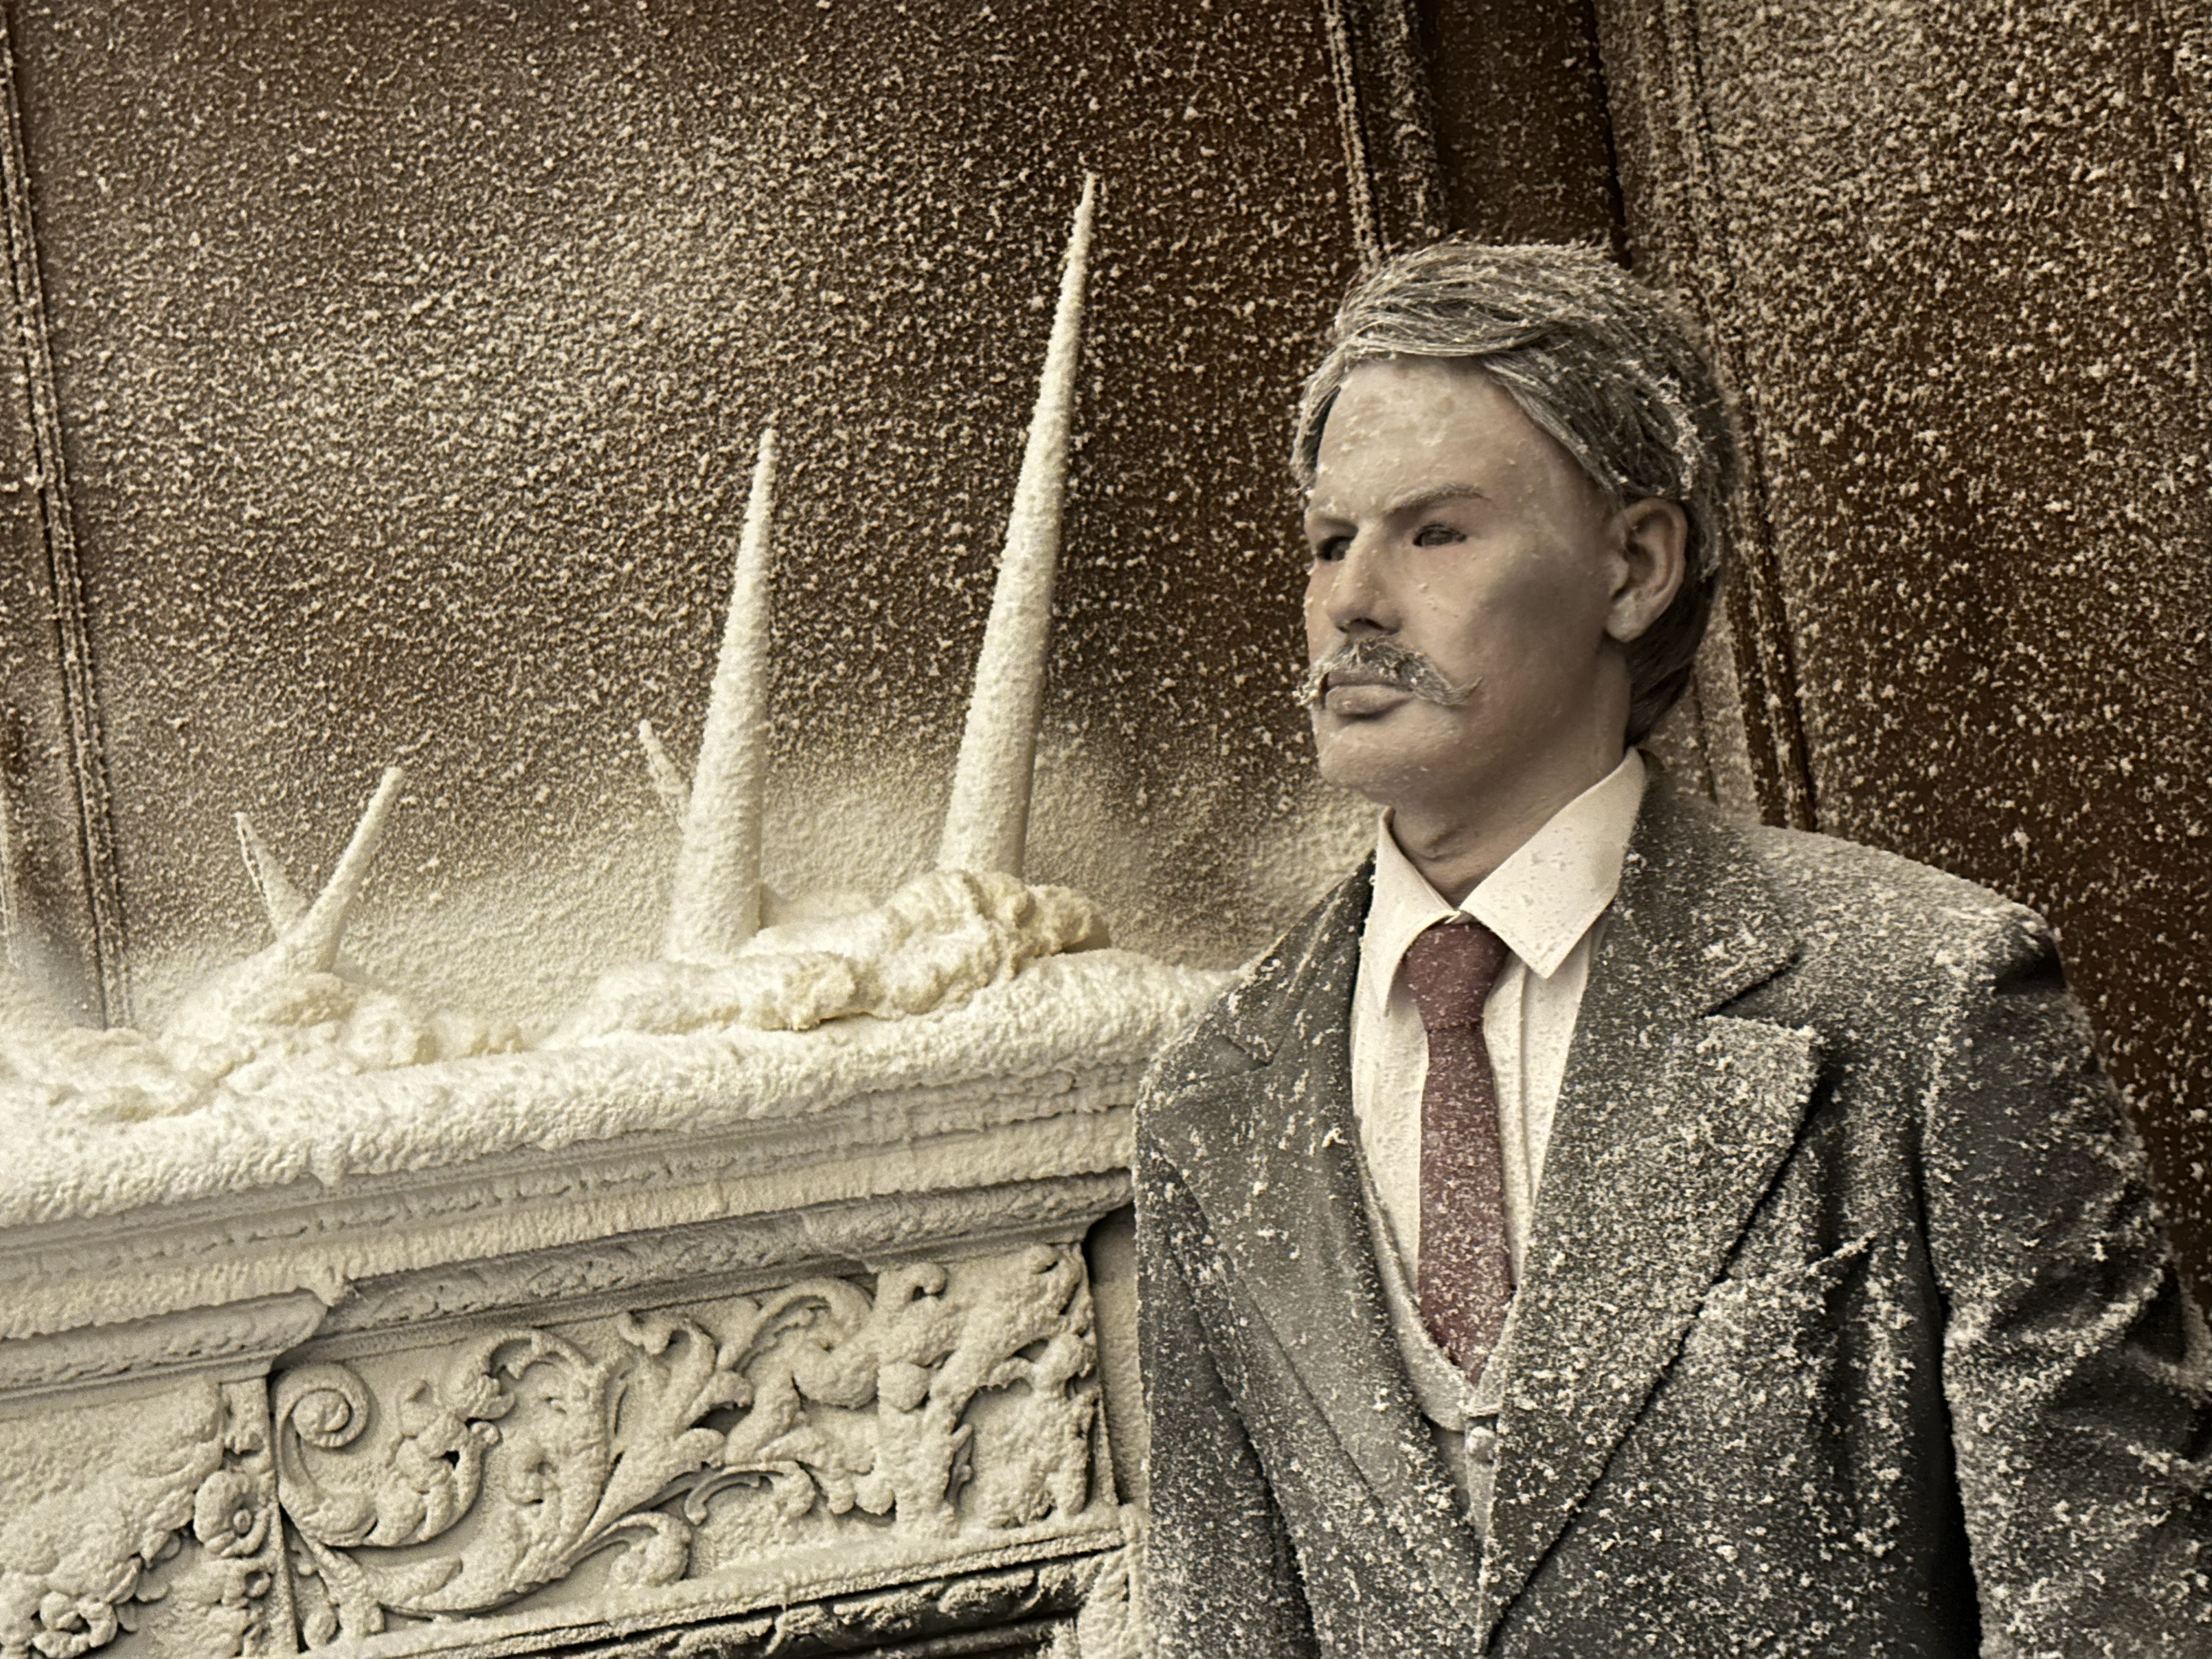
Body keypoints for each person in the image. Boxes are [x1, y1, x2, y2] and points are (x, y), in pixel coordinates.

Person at [1131, 241, 2212, 1656]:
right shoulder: (1216, 1089)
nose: (1353, 602)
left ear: (1635, 566)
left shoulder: (1925, 995)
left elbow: (2114, 1603)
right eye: (1331, 541)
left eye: (1435, 534)